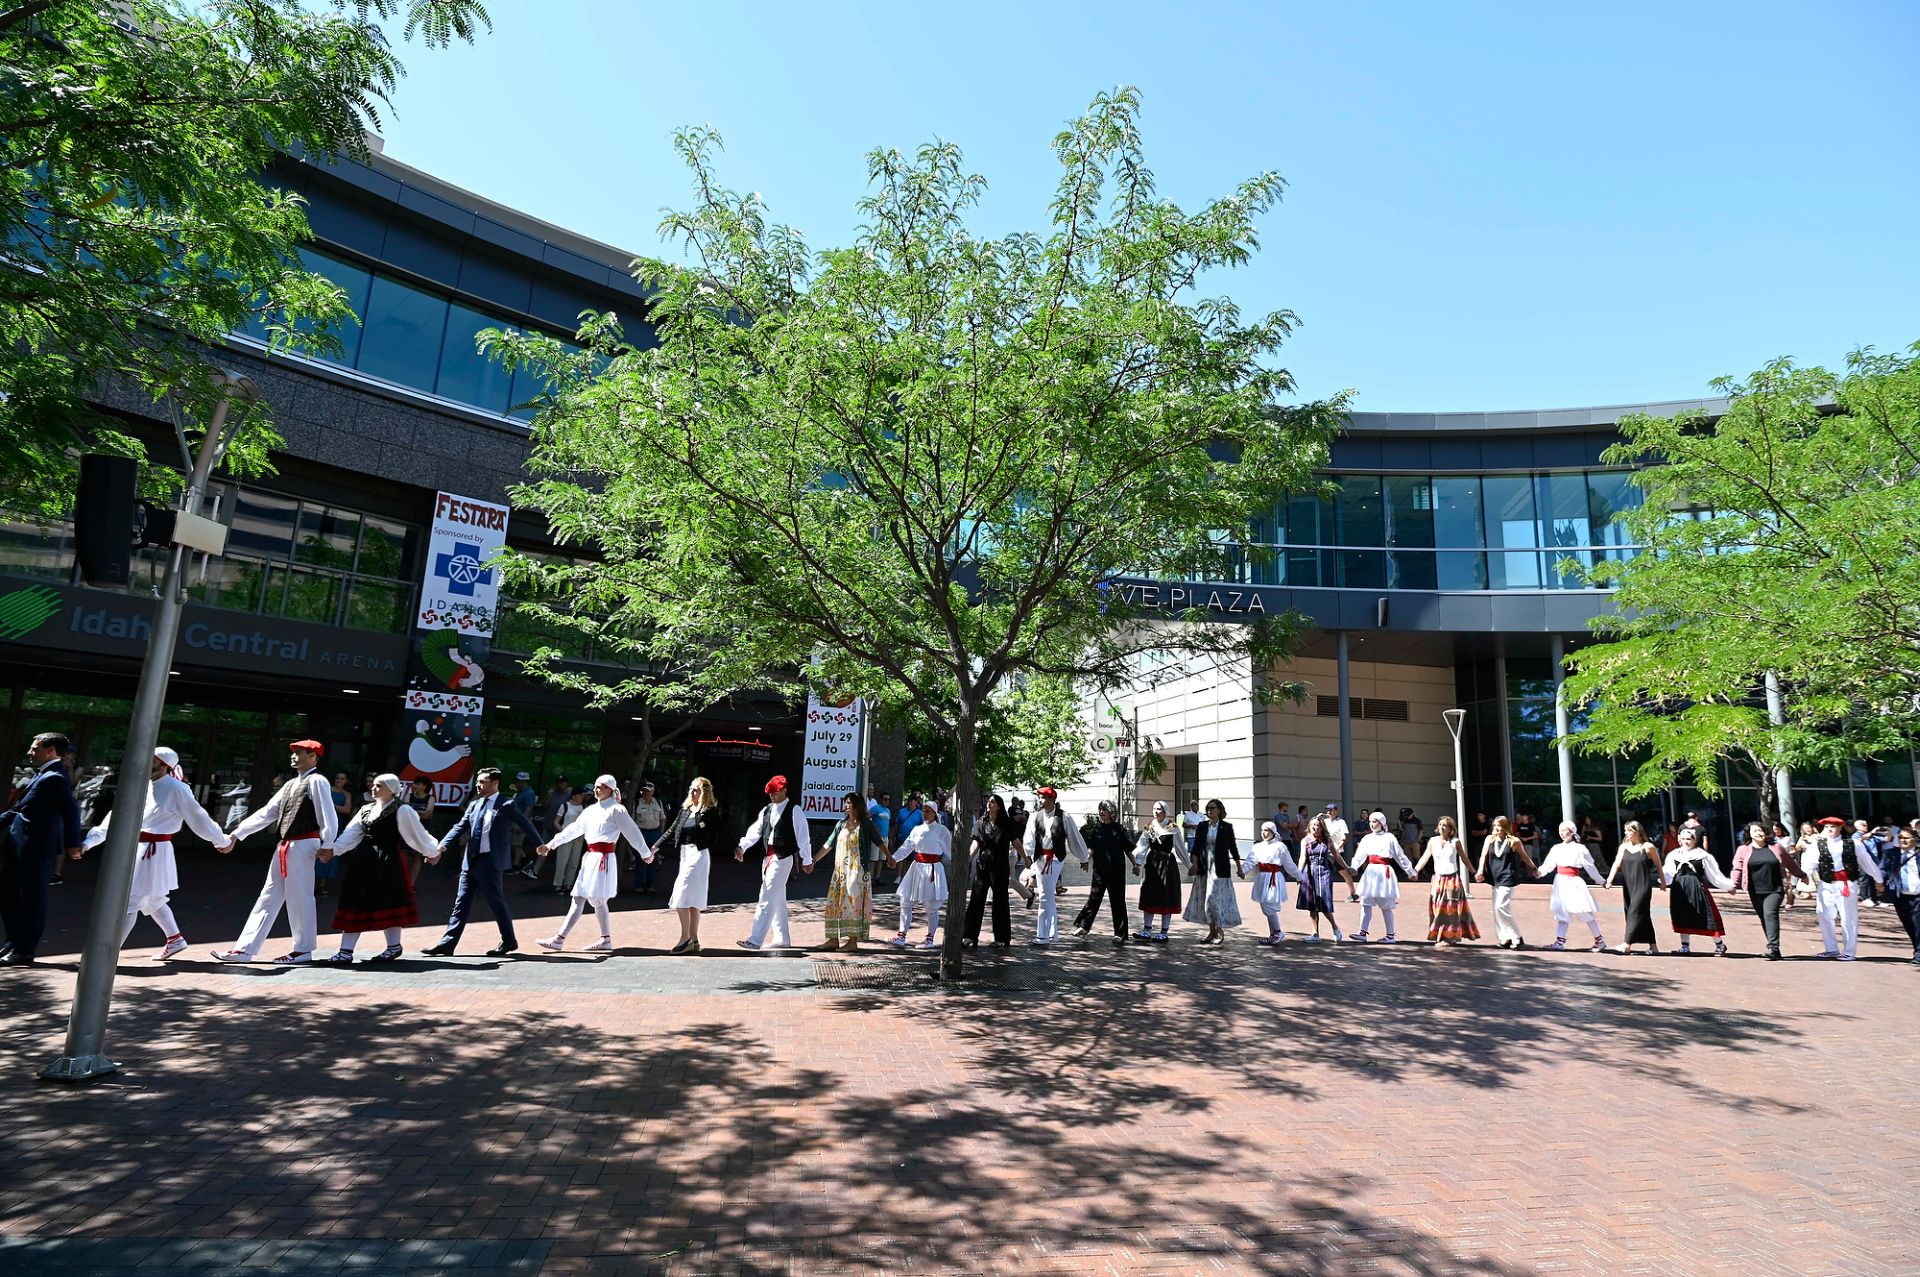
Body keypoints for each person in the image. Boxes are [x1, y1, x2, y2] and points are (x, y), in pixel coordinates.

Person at [77, 745, 231, 959]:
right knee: (152, 898)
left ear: (164, 764)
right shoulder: (141, 785)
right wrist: (89, 842)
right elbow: (116, 817)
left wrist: (221, 840)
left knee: (129, 901)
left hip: (153, 851)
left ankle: (104, 957)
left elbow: (199, 818)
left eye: (152, 759)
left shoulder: (177, 789)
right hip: (138, 849)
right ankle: (175, 939)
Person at [210, 740, 338, 965]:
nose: (294, 756)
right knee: (268, 896)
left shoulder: (317, 781)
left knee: (300, 897)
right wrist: (237, 834)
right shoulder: (290, 784)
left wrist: (328, 843)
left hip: (304, 844)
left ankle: (303, 950)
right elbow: (267, 812)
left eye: (300, 753)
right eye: (294, 753)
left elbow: (327, 813)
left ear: (313, 757)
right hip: (286, 845)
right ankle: (244, 950)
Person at [421, 766, 543, 957]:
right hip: (470, 861)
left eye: (482, 782)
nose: (478, 785)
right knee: (461, 903)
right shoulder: (474, 805)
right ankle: (447, 944)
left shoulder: (506, 804)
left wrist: (539, 844)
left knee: (496, 902)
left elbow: (525, 823)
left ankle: (509, 941)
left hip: (491, 862)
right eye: (477, 781)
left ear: (495, 783)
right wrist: (440, 848)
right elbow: (459, 827)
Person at [323, 773, 441, 964]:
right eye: (374, 785)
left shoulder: (402, 809)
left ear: (392, 789)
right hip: (363, 860)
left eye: (379, 785)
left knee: (389, 902)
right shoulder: (366, 809)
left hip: (388, 861)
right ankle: (345, 951)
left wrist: (432, 851)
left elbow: (417, 833)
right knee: (356, 900)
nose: (374, 788)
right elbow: (351, 834)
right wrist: (333, 850)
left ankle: (393, 947)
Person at [537, 774, 649, 952]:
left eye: (600, 786)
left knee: (587, 898)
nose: (596, 790)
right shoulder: (591, 810)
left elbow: (632, 832)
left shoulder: (617, 810)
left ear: (609, 789)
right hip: (591, 858)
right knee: (592, 899)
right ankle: (603, 939)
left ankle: (561, 939)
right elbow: (573, 829)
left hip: (603, 859)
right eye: (596, 786)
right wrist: (551, 844)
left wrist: (645, 853)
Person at [0, 732, 82, 966]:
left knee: (31, 901)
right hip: (20, 847)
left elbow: (71, 811)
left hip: (35, 849)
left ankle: (24, 950)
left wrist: (72, 844)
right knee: (9, 896)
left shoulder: (55, 777)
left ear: (51, 750)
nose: (30, 752)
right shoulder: (43, 774)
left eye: (34, 748)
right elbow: (19, 809)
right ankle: (13, 943)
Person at [734, 774, 815, 951]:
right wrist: (742, 846)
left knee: (767, 896)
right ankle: (782, 938)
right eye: (770, 793)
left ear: (784, 791)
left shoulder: (795, 810)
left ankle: (755, 940)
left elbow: (803, 837)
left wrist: (807, 860)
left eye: (775, 793)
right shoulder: (767, 810)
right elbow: (755, 831)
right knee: (777, 900)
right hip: (768, 858)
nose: (772, 795)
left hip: (783, 858)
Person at [652, 776, 721, 954]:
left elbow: (723, 830)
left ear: (704, 792)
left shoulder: (709, 811)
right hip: (685, 855)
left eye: (696, 789)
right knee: (690, 901)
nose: (692, 792)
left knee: (681, 896)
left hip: (699, 856)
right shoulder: (685, 809)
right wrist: (654, 848)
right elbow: (671, 830)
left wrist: (737, 848)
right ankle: (694, 939)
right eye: (691, 788)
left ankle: (685, 939)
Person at [1800, 815, 1883, 960]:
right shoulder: (1817, 845)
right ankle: (1831, 948)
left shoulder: (1853, 843)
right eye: (1826, 827)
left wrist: (1878, 879)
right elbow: (1809, 863)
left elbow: (1867, 862)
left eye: (1832, 826)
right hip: (1826, 884)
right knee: (1824, 914)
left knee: (1848, 917)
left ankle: (1849, 951)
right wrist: (1804, 877)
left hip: (1846, 884)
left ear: (1840, 828)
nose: (1829, 829)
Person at [1020, 786, 1088, 947]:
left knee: (1044, 895)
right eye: (1040, 797)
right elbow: (1029, 838)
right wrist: (1028, 856)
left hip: (1055, 859)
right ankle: (1051, 932)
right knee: (1048, 895)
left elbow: (1074, 836)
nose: (1040, 800)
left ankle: (1042, 936)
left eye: (1043, 797)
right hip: (1040, 859)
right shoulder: (1035, 816)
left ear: (1052, 799)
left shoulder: (1064, 816)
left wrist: (1083, 857)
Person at [818, 793, 881, 951]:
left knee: (853, 903)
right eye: (845, 803)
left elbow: (879, 842)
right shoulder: (841, 824)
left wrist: (891, 859)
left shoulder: (865, 824)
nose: (846, 805)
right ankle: (833, 940)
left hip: (857, 872)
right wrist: (813, 860)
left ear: (857, 805)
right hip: (840, 873)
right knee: (834, 903)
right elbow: (829, 844)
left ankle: (852, 942)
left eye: (849, 803)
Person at [1732, 820, 1800, 961]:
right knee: (1764, 917)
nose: (1758, 833)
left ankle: (1773, 947)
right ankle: (1774, 950)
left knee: (1770, 914)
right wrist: (1733, 884)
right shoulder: (1743, 850)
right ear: (1749, 834)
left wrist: (1802, 875)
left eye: (1761, 830)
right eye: (1755, 831)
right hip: (1755, 890)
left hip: (1775, 889)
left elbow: (1790, 863)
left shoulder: (1776, 847)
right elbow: (1737, 868)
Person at [890, 797, 951, 948]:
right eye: (923, 810)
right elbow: (907, 847)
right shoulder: (917, 829)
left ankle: (930, 939)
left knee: (931, 906)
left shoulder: (941, 830)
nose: (924, 813)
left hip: (932, 869)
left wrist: (960, 865)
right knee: (905, 901)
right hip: (916, 868)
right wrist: (894, 859)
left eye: (928, 811)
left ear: (934, 813)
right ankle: (901, 935)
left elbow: (950, 850)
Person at [1664, 824, 1733, 956]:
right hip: (1679, 888)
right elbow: (1668, 872)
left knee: (1706, 915)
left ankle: (1720, 944)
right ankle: (1685, 946)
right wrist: (1663, 882)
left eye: (1689, 839)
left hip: (1696, 887)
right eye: (1683, 839)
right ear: (1679, 840)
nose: (1686, 841)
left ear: (1694, 840)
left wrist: (1728, 886)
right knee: (1682, 915)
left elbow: (1714, 874)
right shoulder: (1674, 855)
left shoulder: (1702, 855)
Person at [1536, 821, 1606, 952]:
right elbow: (1549, 864)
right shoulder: (1557, 848)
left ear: (1572, 831)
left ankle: (1599, 940)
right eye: (1560, 831)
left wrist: (1600, 880)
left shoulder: (1580, 849)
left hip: (1573, 882)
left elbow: (1590, 867)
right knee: (1562, 910)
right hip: (1561, 882)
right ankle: (1560, 941)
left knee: (1584, 910)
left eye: (1564, 830)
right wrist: (1539, 872)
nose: (1562, 833)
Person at [1072, 800, 1135, 944]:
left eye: (1104, 809)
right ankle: (1084, 927)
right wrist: (1085, 860)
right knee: (1094, 898)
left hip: (1116, 870)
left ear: (1111, 812)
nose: (1101, 812)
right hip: (1099, 870)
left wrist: (1135, 864)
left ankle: (1120, 934)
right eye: (1100, 809)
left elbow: (1127, 849)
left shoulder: (1119, 829)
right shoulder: (1096, 829)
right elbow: (1091, 848)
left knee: (1118, 901)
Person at [1182, 798, 1243, 944]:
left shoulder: (1226, 827)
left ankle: (1219, 929)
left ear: (1219, 810)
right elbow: (1196, 848)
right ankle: (1212, 931)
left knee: (1214, 898)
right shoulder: (1202, 826)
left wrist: (1239, 867)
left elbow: (1233, 848)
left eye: (1213, 808)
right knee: (1207, 899)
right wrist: (1194, 864)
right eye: (1208, 808)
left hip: (1220, 868)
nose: (1209, 810)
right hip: (1205, 868)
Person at [961, 794, 1018, 949]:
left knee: (1000, 902)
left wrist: (1025, 858)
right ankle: (969, 936)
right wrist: (968, 859)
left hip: (1000, 867)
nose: (989, 804)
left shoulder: (1007, 823)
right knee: (976, 900)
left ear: (999, 806)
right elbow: (976, 844)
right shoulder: (981, 822)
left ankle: (1001, 938)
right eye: (988, 802)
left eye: (992, 802)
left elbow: (1015, 841)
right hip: (983, 866)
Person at [1346, 811, 1413, 942]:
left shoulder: (1390, 838)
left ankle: (1390, 935)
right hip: (1371, 872)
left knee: (1386, 905)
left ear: (1382, 823)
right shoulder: (1367, 838)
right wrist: (1354, 867)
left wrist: (1410, 871)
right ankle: (1362, 932)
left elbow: (1399, 856)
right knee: (1366, 902)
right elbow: (1360, 855)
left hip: (1384, 872)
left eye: (1375, 821)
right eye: (1370, 821)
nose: (1372, 824)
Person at [1412, 815, 1478, 945]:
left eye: (1445, 825)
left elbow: (1464, 858)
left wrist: (1474, 872)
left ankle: (1449, 938)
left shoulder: (1455, 842)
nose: (1442, 827)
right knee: (1437, 908)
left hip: (1452, 879)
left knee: (1449, 909)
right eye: (1440, 824)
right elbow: (1425, 857)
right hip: (1438, 879)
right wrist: (1415, 871)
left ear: (1450, 829)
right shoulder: (1433, 841)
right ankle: (1440, 935)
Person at [1474, 815, 1536, 950]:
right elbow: (1483, 856)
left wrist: (1534, 868)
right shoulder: (1490, 839)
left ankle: (1517, 937)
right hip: (1494, 877)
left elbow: (1524, 857)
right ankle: (1504, 937)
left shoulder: (1514, 841)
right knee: (1496, 909)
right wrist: (1480, 871)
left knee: (1501, 906)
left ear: (1505, 827)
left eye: (1499, 825)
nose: (1496, 828)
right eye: (1495, 825)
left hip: (1508, 876)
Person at [1604, 820, 1663, 955]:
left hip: (1643, 885)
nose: (1626, 833)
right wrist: (1609, 880)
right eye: (1626, 830)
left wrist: (1663, 882)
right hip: (1628, 885)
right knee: (1643, 914)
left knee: (1633, 912)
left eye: (1629, 830)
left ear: (1637, 832)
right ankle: (1653, 947)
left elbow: (1658, 865)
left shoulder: (1648, 847)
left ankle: (1626, 944)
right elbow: (1616, 864)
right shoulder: (1624, 847)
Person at [1293, 812, 1353, 943]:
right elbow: (1302, 857)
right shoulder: (1305, 840)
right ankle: (1315, 934)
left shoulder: (1328, 841)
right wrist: (1298, 874)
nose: (1315, 827)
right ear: (1310, 827)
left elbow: (1337, 856)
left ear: (1322, 827)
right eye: (1313, 825)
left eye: (1318, 825)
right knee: (1312, 905)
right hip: (1309, 873)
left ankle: (1335, 928)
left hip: (1324, 873)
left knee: (1323, 903)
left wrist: (1347, 868)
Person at [1131, 801, 1185, 943]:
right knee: (1149, 894)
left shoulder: (1172, 827)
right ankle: (1147, 930)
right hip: (1152, 864)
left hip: (1167, 864)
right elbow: (1142, 846)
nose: (1156, 811)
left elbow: (1180, 848)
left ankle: (1164, 932)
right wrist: (1137, 863)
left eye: (1159, 809)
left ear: (1165, 811)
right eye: (1154, 809)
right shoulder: (1150, 826)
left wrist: (1189, 864)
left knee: (1166, 896)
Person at [1243, 820, 1304, 945]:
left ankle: (1277, 932)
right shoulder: (1257, 846)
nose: (1264, 833)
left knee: (1269, 906)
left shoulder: (1280, 846)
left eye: (1267, 830)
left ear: (1273, 832)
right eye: (1262, 830)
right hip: (1262, 879)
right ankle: (1273, 934)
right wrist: (1242, 871)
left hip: (1273, 879)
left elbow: (1289, 864)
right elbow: (1250, 861)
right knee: (1265, 906)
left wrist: (1299, 876)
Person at [1884, 826, 1920, 966]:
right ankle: (1917, 949)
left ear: (1914, 839)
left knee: (1918, 924)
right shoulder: (1891, 854)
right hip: (1900, 896)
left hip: (1918, 896)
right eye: (1900, 838)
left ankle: (1918, 953)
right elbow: (1883, 869)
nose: (1902, 840)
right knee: (1909, 925)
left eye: (1906, 838)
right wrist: (1880, 882)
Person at [550, 788, 591, 894]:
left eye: (583, 795)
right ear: (573, 796)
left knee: (574, 862)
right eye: (580, 795)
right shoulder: (565, 806)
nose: (582, 797)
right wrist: (563, 832)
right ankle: (558, 884)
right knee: (562, 861)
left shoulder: (584, 807)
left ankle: (568, 884)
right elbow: (556, 822)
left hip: (578, 837)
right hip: (566, 836)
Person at [629, 780, 666, 895]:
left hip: (655, 833)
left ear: (653, 792)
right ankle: (639, 885)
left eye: (649, 791)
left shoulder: (658, 802)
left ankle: (651, 885)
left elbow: (663, 818)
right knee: (640, 859)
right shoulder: (637, 803)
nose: (647, 793)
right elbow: (632, 820)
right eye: (645, 791)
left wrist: (661, 834)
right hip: (641, 833)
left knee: (653, 859)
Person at [508, 772, 539, 878]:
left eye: (518, 780)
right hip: (515, 820)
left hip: (521, 821)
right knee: (514, 843)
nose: (516, 782)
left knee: (517, 844)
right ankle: (525, 860)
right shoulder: (520, 792)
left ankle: (516, 865)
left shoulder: (529, 793)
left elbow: (528, 809)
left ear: (523, 781)